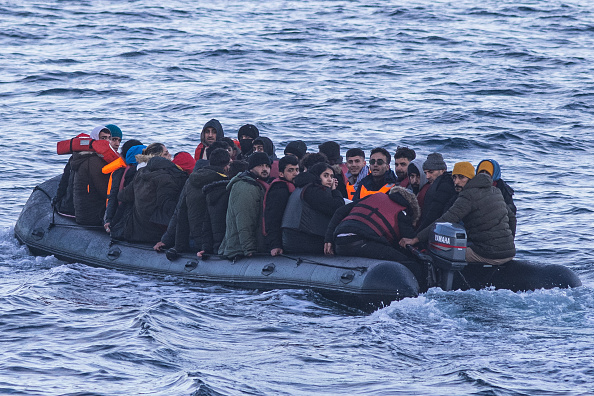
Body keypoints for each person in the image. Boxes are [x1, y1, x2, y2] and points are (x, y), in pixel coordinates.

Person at [400, 172, 516, 265]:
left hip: (487, 254)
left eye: (461, 177)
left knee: (440, 252)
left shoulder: (468, 195)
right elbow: (512, 218)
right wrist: (509, 242)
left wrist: (416, 239)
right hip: (509, 252)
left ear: (470, 178)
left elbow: (446, 220)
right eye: (454, 178)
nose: (456, 182)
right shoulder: (495, 191)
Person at [324, 185, 423, 282]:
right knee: (410, 263)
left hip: (339, 242)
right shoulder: (402, 212)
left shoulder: (373, 197)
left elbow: (340, 211)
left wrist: (328, 238)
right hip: (362, 242)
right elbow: (410, 239)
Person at [117, 144, 186, 244]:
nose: (170, 156)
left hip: (136, 233)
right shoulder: (168, 178)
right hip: (157, 235)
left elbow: (122, 196)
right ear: (157, 157)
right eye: (166, 154)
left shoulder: (140, 174)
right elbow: (169, 209)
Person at [281, 162, 345, 254]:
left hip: (293, 237)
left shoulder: (303, 187)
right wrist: (335, 191)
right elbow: (338, 207)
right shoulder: (313, 191)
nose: (330, 180)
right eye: (326, 175)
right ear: (318, 176)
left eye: (331, 176)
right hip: (301, 239)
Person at [218, 152, 270, 258]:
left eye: (267, 166)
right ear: (251, 168)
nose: (264, 169)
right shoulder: (246, 187)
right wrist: (249, 249)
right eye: (260, 165)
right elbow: (244, 220)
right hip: (239, 250)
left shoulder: (257, 185)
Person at [63, 126, 112, 225]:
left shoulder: (85, 157)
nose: (107, 141)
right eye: (103, 138)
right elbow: (104, 191)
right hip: (92, 216)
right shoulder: (94, 161)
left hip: (84, 213)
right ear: (94, 139)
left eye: (109, 138)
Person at [200, 160, 248, 256]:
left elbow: (207, 225)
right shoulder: (239, 193)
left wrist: (206, 248)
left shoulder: (213, 192)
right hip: (235, 248)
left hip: (217, 247)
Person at [102, 139, 143, 233]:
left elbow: (113, 196)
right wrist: (109, 220)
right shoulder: (138, 172)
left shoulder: (119, 171)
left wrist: (109, 219)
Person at [263, 155, 300, 256]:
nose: (295, 173)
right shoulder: (279, 190)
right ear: (281, 174)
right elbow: (272, 218)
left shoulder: (294, 187)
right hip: (280, 239)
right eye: (290, 170)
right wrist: (275, 244)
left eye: (297, 170)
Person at [416, 152, 456, 231]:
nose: (427, 176)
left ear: (442, 170)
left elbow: (434, 213)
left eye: (431, 172)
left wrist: (418, 236)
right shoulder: (439, 184)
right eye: (425, 173)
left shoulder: (445, 186)